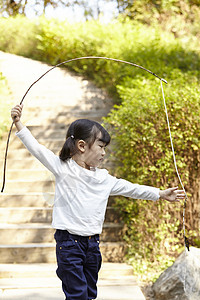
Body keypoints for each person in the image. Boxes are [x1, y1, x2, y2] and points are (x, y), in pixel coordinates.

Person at [11, 104, 185, 300]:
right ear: (82, 146)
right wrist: (18, 123)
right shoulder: (63, 169)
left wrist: (160, 193)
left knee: (90, 293)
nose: (104, 153)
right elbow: (37, 149)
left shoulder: (104, 179)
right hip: (69, 244)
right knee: (77, 294)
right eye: (101, 147)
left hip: (92, 245)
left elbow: (132, 188)